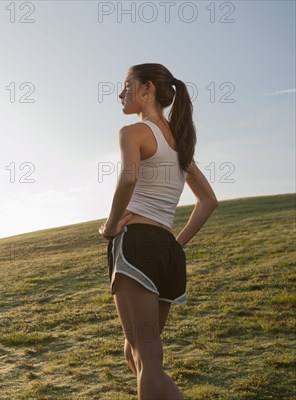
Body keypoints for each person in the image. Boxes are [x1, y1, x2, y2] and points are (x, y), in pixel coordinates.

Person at [98, 63, 219, 399]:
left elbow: (129, 177)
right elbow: (208, 201)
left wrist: (110, 226)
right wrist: (175, 245)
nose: (121, 94)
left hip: (136, 245)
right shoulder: (181, 146)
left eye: (126, 86)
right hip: (167, 254)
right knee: (134, 354)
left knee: (147, 359)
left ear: (147, 89)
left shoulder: (133, 132)